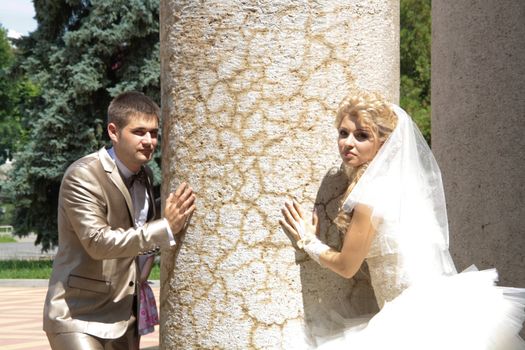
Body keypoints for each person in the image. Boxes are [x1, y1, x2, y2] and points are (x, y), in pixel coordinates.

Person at [280, 91, 525, 349]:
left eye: (362, 135)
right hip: (442, 305)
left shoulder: (370, 195)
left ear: (384, 142)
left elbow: (347, 266)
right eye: (343, 133)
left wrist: (308, 240)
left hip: (412, 319)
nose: (348, 143)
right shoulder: (405, 185)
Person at [43, 91, 196, 349]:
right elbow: (98, 242)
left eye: (154, 133)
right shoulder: (83, 175)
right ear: (114, 132)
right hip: (77, 316)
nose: (149, 141)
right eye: (139, 132)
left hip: (126, 316)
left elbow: (137, 232)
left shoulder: (145, 175)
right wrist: (165, 227)